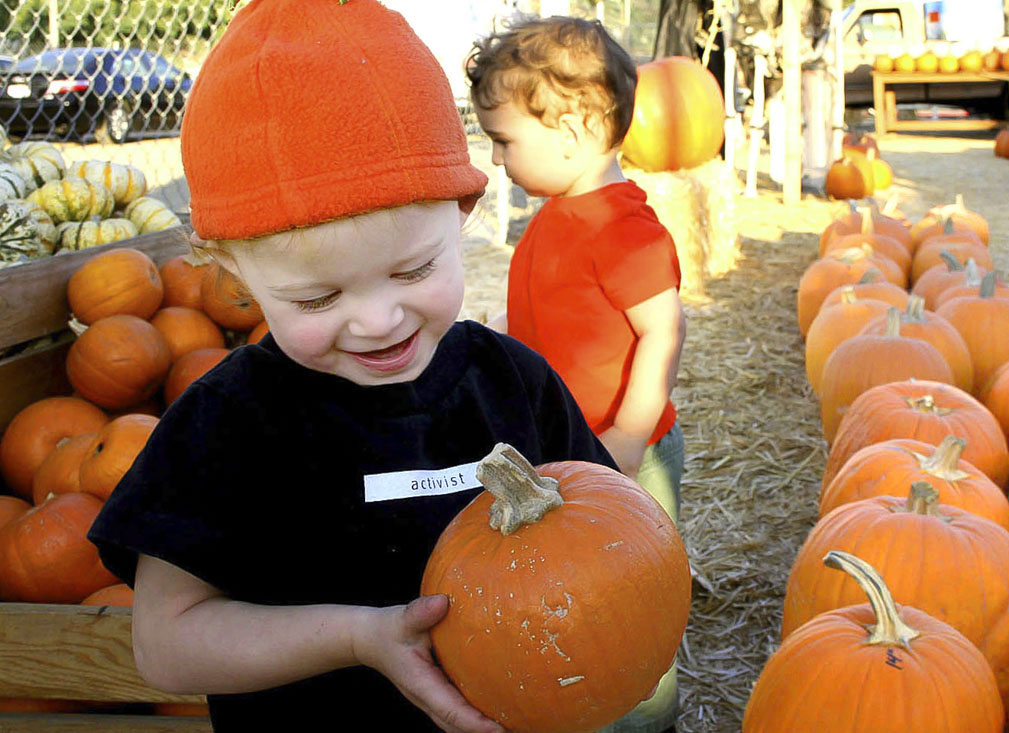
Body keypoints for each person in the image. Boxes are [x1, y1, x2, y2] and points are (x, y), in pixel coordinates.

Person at [87, 1, 617, 731]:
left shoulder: (515, 385)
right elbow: (165, 643)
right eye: (317, 297)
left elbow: (606, 536)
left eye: (414, 270)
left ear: (461, 211)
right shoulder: (226, 425)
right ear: (231, 269)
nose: (377, 320)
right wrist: (357, 638)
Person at [466, 15, 687, 733]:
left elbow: (663, 330)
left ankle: (647, 716)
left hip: (629, 451)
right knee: (583, 591)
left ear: (573, 131)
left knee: (634, 592)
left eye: (505, 141)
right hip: (569, 445)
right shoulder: (562, 214)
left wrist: (628, 431)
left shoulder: (621, 228)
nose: (498, 161)